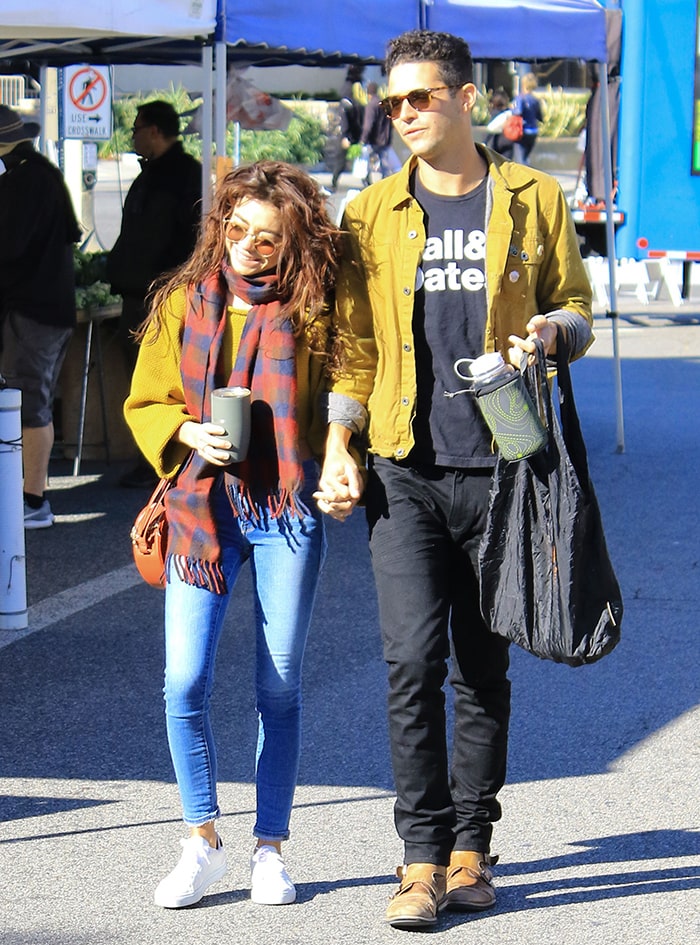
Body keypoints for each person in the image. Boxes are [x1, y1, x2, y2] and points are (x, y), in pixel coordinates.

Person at [314, 30, 592, 930]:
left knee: (482, 664)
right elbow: (353, 347)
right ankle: (418, 857)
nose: (403, 116)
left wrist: (551, 330)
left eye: (419, 99)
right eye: (392, 103)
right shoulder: (372, 213)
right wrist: (338, 444)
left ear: (467, 99)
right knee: (407, 661)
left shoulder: (534, 197)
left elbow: (579, 307)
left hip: (506, 467)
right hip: (405, 467)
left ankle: (473, 844)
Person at [124, 161, 343, 909]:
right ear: (218, 226)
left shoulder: (314, 307)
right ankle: (202, 838)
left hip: (283, 503)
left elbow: (345, 393)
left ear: (293, 241)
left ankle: (270, 848)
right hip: (200, 503)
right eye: (235, 228)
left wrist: (332, 460)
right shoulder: (185, 299)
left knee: (277, 687)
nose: (247, 245)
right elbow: (145, 398)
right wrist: (187, 427)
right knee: (183, 679)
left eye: (266, 236)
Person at [108, 99, 202, 488]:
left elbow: (185, 235)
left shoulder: (184, 175)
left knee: (166, 379)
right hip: (138, 292)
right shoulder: (150, 174)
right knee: (142, 377)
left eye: (136, 128)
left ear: (155, 131)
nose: (132, 136)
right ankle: (151, 453)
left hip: (166, 294)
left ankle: (166, 456)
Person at [0, 105, 82, 529]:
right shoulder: (37, 173)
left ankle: (34, 500)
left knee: (27, 403)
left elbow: (9, 248)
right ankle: (25, 495)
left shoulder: (25, 180)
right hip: (41, 307)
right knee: (26, 400)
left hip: (34, 311)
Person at [327, 66, 364, 192]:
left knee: (345, 160)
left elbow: (346, 120)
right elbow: (347, 121)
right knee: (344, 160)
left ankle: (334, 183)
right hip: (352, 134)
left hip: (351, 134)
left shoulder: (348, 101)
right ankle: (334, 182)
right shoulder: (352, 102)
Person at [359, 81, 402, 185]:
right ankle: (386, 181)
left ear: (368, 94)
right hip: (385, 139)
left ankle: (367, 183)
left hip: (374, 140)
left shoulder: (371, 106)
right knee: (385, 164)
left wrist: (363, 139)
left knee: (364, 162)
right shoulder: (384, 104)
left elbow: (368, 125)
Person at [512, 72, 543, 166]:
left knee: (520, 158)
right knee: (526, 156)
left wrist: (511, 109)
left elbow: (517, 112)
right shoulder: (535, 100)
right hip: (533, 131)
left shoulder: (520, 98)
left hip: (522, 131)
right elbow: (540, 117)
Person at [484, 89, 514, 159]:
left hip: (496, 142)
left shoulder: (494, 113)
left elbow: (490, 129)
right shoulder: (509, 112)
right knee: (507, 164)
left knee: (496, 163)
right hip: (508, 141)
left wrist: (485, 141)